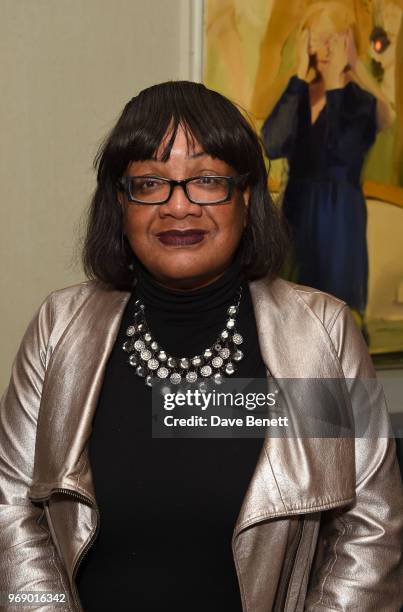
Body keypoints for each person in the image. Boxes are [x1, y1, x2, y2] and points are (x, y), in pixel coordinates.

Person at [0, 80, 402, 612]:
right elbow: (11, 506)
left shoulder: (315, 334)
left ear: (246, 195)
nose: (178, 207)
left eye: (207, 180)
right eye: (149, 184)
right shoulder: (60, 328)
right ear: (120, 203)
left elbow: (368, 529)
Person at [261, 2, 395, 327]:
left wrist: (337, 85)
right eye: (318, 38)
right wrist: (296, 74)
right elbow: (272, 142)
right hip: (296, 209)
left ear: (349, 44)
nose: (324, 48)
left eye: (334, 39)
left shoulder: (360, 103)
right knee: (290, 317)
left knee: (337, 320)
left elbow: (339, 152)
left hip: (339, 217)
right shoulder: (299, 94)